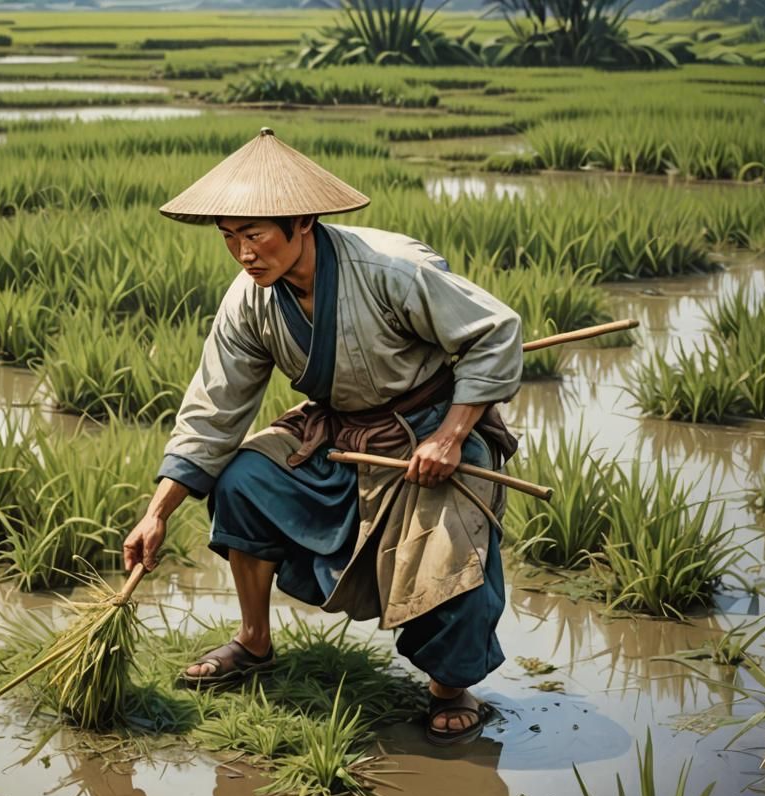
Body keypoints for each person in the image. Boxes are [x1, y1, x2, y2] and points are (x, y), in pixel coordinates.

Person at [123, 128, 522, 746]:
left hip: (428, 436)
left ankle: (450, 688)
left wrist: (450, 435)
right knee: (242, 480)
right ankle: (254, 642)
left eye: (254, 235)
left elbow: (495, 332)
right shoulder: (249, 301)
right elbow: (214, 409)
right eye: (229, 237)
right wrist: (156, 514)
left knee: (452, 558)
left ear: (303, 222)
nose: (243, 254)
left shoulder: (391, 268)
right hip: (336, 436)